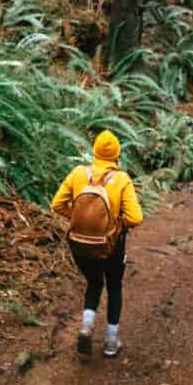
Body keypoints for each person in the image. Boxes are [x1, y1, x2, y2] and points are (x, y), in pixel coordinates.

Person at [51, 130, 143, 357]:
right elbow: (135, 218)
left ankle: (86, 326)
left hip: (80, 246)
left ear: (94, 151)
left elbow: (56, 204)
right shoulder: (122, 180)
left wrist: (78, 219)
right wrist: (114, 224)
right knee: (114, 287)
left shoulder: (78, 174)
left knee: (94, 282)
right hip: (111, 247)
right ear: (117, 155)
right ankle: (111, 343)